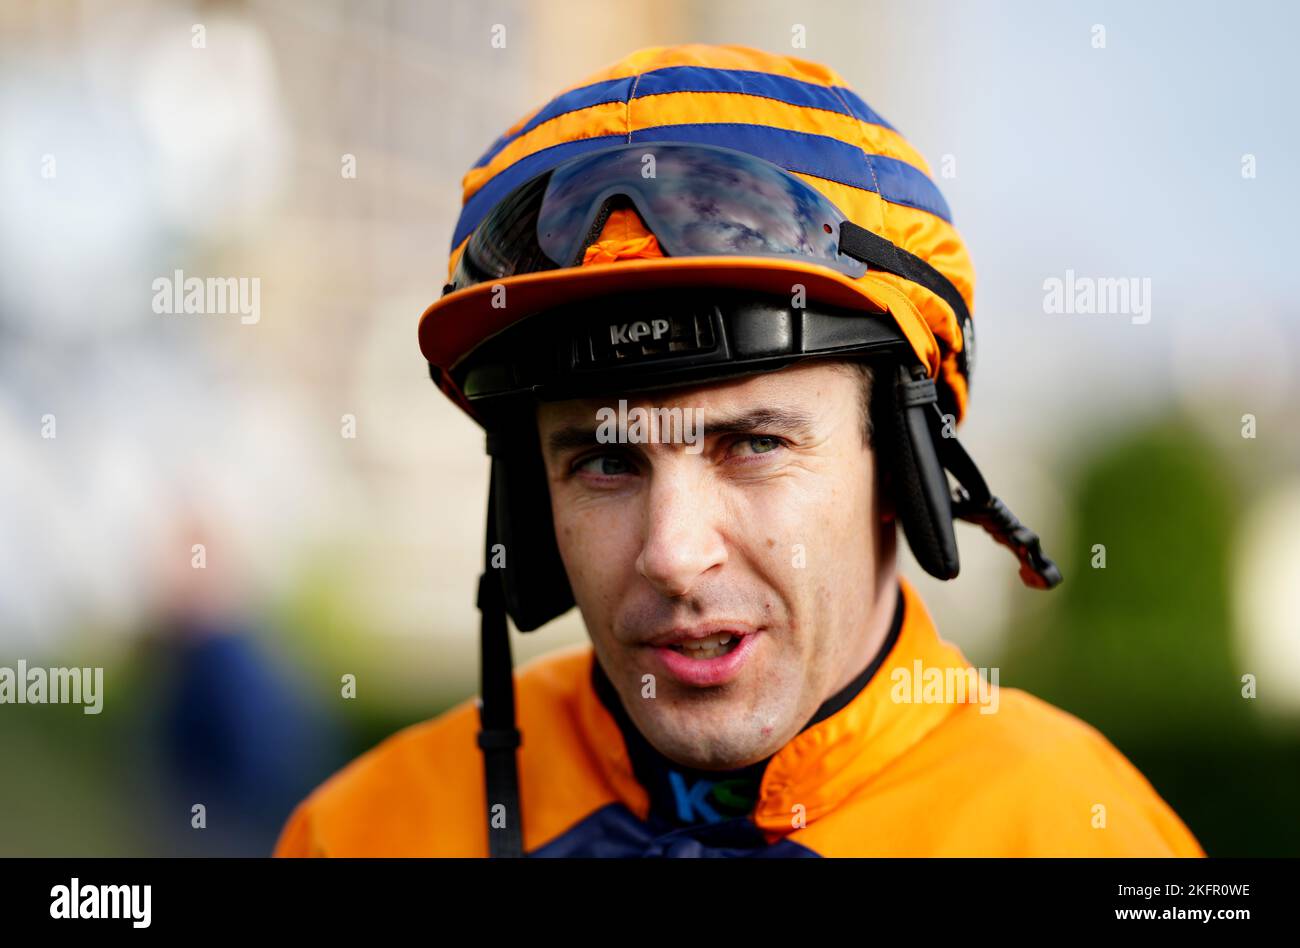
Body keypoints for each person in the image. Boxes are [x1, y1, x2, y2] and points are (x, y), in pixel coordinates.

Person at [274, 44, 1203, 857]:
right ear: (530, 495)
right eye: (605, 460)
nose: (674, 554)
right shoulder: (357, 834)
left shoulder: (1090, 834)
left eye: (753, 443)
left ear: (904, 465)